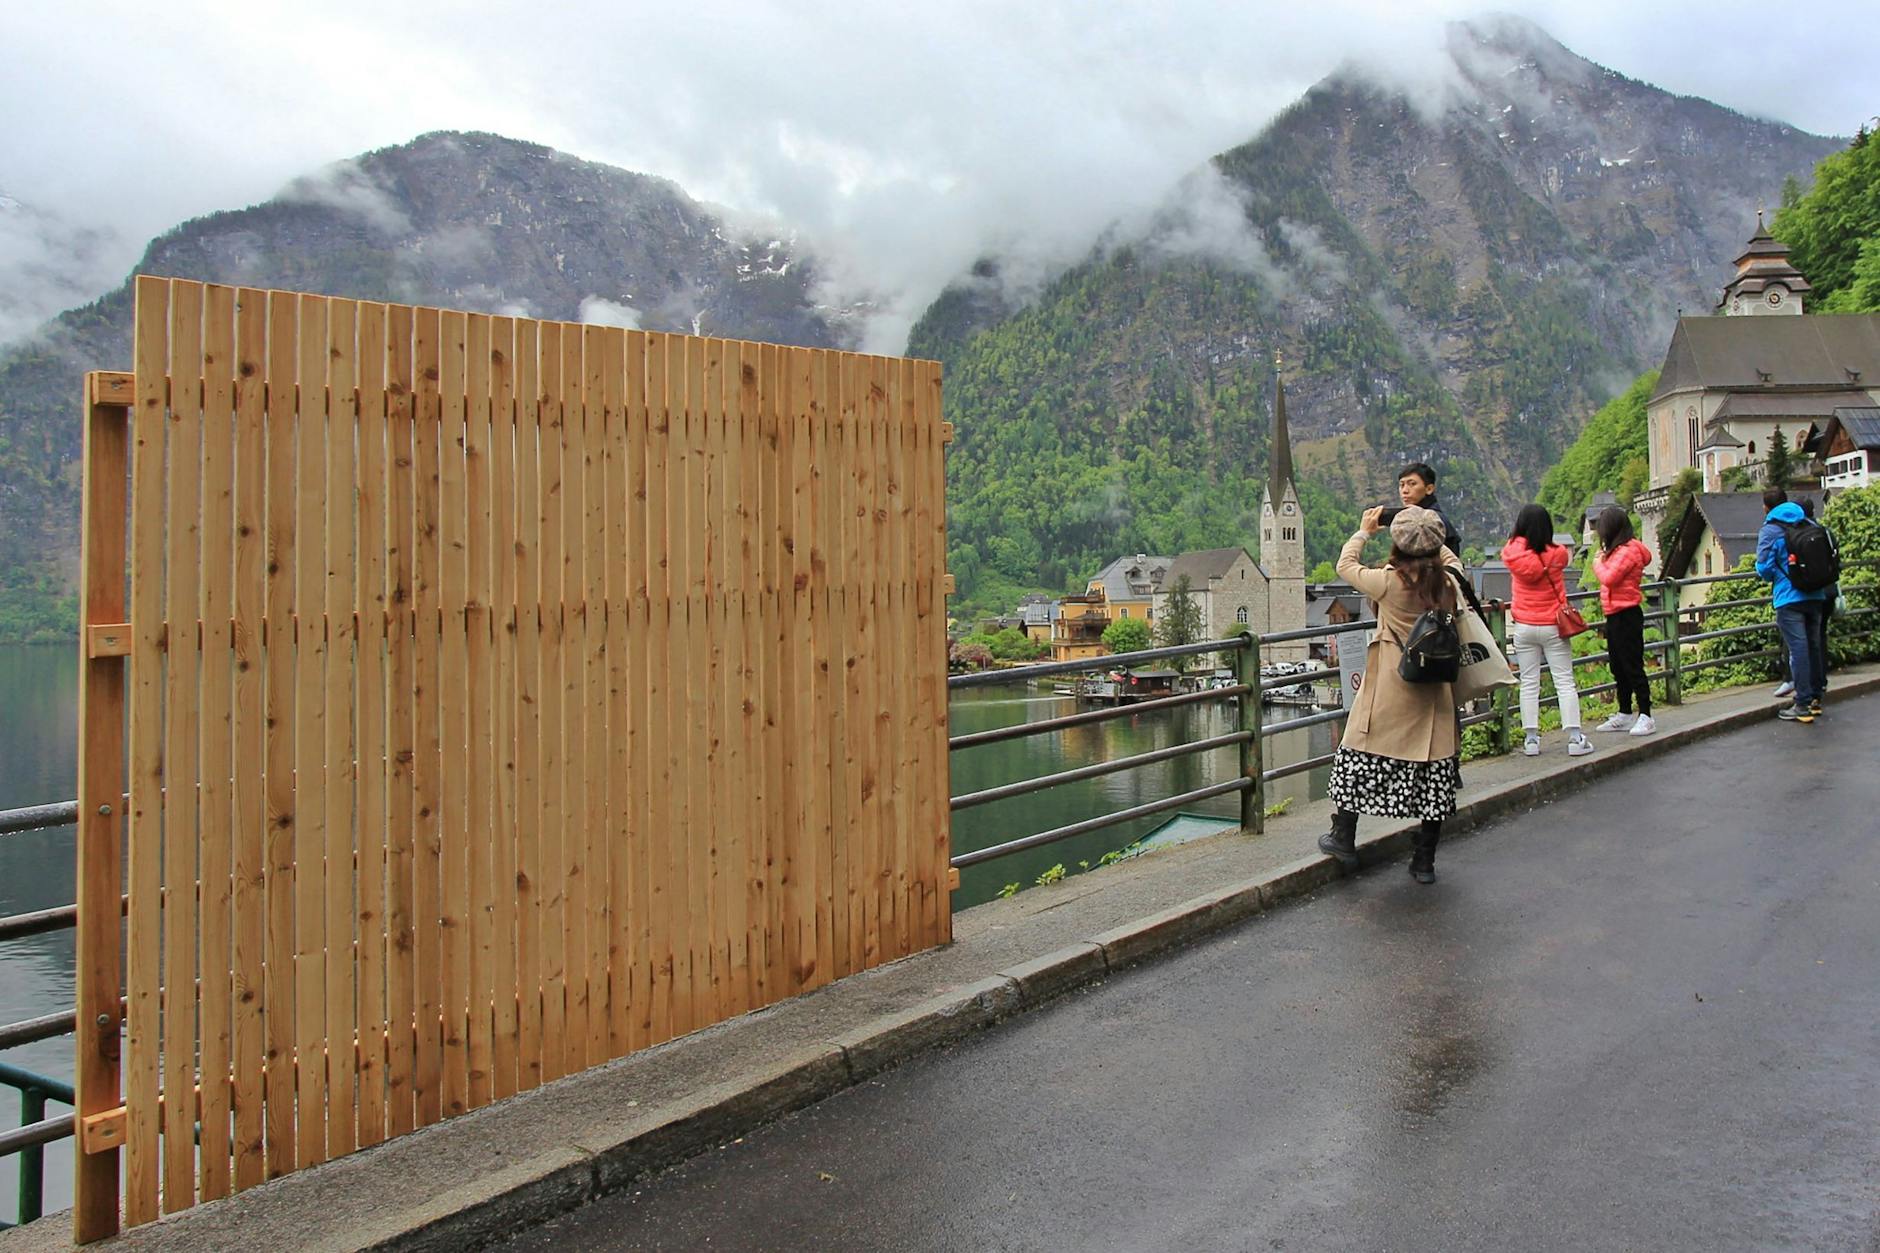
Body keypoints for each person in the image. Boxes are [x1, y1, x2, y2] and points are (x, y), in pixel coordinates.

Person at [1317, 505, 1463, 885]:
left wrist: (1365, 530)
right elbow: (1450, 560)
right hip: (1435, 692)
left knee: (1357, 755)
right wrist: (1428, 532)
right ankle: (1424, 860)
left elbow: (1345, 565)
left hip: (1390, 688)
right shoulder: (1450, 583)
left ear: (1399, 545)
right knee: (1434, 773)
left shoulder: (1387, 582)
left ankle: (1343, 837)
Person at [1500, 504, 1594, 757]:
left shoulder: (1513, 554)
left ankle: (1531, 740)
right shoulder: (1558, 554)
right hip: (1553, 625)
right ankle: (1575, 738)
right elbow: (1560, 553)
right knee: (1564, 681)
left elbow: (1511, 547)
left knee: (1529, 683)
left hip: (1524, 626)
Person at [1756, 487, 1828, 723]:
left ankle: (1802, 704)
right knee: (1814, 646)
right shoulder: (1808, 522)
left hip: (1789, 598)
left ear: (1766, 507)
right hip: (1816, 593)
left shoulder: (1770, 530)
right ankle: (1816, 698)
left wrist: (1776, 574)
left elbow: (1764, 569)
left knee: (1798, 650)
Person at [1590, 507, 1655, 735]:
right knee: (1618, 666)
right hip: (1614, 613)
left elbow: (1609, 578)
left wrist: (1598, 561)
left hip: (1626, 614)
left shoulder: (1628, 551)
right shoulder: (1618, 550)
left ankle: (1646, 714)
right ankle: (1625, 712)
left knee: (1632, 666)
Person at [1378, 462, 1462, 556]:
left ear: (1429, 489)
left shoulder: (1436, 519)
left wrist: (1377, 517)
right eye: (1402, 485)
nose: (1405, 490)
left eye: (1412, 484)